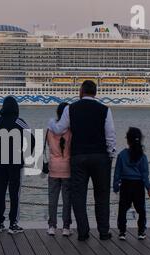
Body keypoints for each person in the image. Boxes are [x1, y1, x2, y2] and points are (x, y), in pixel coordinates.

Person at [48, 80, 116, 241]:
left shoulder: (71, 109)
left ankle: (83, 232)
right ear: (95, 92)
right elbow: (111, 136)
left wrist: (50, 122)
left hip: (78, 157)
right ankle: (104, 232)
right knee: (102, 196)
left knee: (79, 196)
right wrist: (110, 155)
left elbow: (59, 129)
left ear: (81, 91)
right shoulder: (105, 109)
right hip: (100, 157)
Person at [0, 96, 35, 235]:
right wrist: (26, 155)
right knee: (14, 194)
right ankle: (13, 225)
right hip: (15, 162)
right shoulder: (19, 122)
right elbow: (32, 138)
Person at [113, 127, 150, 240]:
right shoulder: (143, 157)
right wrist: (149, 188)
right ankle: (141, 231)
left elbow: (117, 173)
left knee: (122, 209)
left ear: (128, 140)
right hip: (138, 186)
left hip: (125, 185)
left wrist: (115, 186)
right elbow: (145, 175)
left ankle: (122, 232)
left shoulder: (122, 155)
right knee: (141, 209)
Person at [45, 102, 73, 237]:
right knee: (67, 199)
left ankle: (51, 226)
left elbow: (47, 147)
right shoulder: (71, 130)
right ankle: (66, 227)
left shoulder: (49, 129)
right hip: (67, 168)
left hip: (53, 168)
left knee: (53, 199)